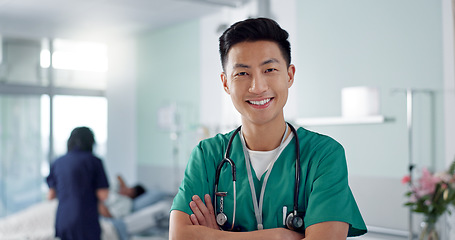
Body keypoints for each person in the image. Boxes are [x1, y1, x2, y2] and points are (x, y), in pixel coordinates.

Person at [169, 17, 367, 239]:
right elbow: (179, 236)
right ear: (226, 83)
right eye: (242, 73)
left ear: (289, 75)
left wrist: (214, 236)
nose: (257, 87)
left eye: (269, 69)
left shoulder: (324, 155)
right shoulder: (207, 155)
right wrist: (281, 236)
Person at [47, 126, 110, 240]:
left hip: (63, 219)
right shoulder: (94, 161)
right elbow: (103, 195)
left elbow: (50, 196)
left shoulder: (57, 162)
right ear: (91, 142)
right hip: (85, 220)